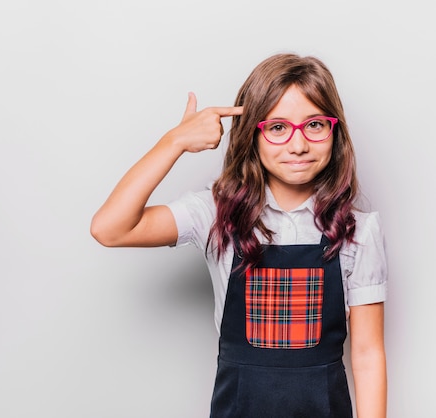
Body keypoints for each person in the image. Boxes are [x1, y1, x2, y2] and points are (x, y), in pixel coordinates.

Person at [90, 53, 387, 417]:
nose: (298, 145)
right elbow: (110, 228)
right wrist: (174, 142)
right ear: (252, 135)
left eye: (314, 125)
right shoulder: (215, 214)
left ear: (334, 130)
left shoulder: (359, 230)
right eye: (277, 127)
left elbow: (368, 354)